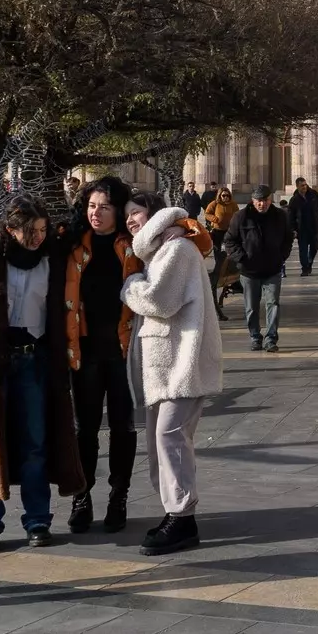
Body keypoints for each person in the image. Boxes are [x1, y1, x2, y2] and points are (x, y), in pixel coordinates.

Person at [0, 191, 85, 553]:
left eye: (41, 229)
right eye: (29, 231)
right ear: (10, 229)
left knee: (35, 443)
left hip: (35, 359)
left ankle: (37, 520)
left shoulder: (52, 257)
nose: (37, 237)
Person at [122, 189, 223, 556]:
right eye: (128, 215)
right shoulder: (162, 248)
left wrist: (131, 284)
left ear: (155, 214)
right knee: (161, 439)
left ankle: (181, 517)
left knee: (170, 436)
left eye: (137, 212)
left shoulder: (176, 249)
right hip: (167, 363)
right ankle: (176, 514)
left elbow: (158, 300)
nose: (131, 220)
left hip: (183, 360)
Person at [63, 176, 140, 536]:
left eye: (104, 207)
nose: (96, 213)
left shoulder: (134, 245)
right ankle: (82, 495)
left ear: (119, 210)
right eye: (91, 206)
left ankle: (118, 496)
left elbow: (198, 240)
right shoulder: (74, 244)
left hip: (123, 350)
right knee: (85, 429)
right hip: (86, 349)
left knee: (123, 427)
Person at [228, 184, 295, 351]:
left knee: (273, 303)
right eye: (258, 201)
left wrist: (282, 256)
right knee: (251, 307)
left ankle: (271, 338)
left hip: (272, 269)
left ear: (270, 199)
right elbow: (229, 240)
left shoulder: (280, 216)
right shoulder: (241, 217)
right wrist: (242, 258)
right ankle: (255, 336)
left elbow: (288, 237)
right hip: (249, 271)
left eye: (265, 200)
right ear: (253, 200)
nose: (262, 204)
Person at [203, 185, 238, 318]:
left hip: (228, 231)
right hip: (217, 231)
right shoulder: (214, 204)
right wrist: (214, 219)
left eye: (227, 195)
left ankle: (229, 270)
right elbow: (207, 213)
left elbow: (237, 214)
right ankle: (220, 266)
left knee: (229, 251)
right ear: (219, 196)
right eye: (223, 195)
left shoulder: (233, 204)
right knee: (219, 252)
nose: (226, 197)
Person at [289, 177, 318, 276]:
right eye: (302, 185)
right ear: (297, 186)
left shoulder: (313, 195)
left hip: (314, 227)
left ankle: (310, 263)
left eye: (305, 185)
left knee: (315, 247)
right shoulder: (294, 199)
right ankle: (305, 268)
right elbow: (290, 216)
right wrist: (292, 229)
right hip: (301, 229)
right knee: (303, 250)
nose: (304, 187)